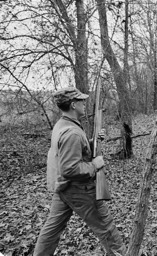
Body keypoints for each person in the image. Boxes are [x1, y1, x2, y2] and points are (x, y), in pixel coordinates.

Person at [34, 87, 126, 256]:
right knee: (107, 229)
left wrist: (92, 142)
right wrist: (95, 164)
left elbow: (72, 152)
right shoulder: (72, 132)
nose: (85, 103)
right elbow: (70, 168)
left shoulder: (63, 125)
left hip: (63, 188)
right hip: (79, 189)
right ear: (73, 105)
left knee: (51, 231)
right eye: (81, 101)